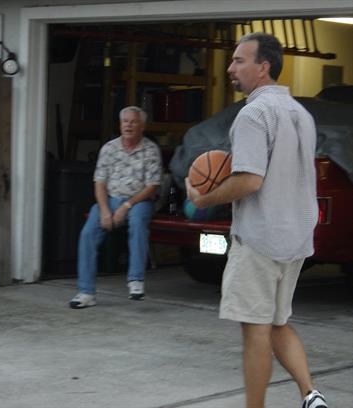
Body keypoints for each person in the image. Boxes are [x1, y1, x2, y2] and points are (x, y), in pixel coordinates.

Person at [185, 33, 327, 408]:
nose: (231, 67)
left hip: (262, 239)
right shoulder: (302, 114)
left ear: (263, 67)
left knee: (256, 332)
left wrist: (203, 197)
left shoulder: (253, 114)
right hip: (296, 238)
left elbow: (248, 180)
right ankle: (311, 395)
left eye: (239, 60)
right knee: (277, 323)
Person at [69, 106, 162, 309]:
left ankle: (135, 280)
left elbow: (152, 186)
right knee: (87, 233)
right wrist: (104, 210)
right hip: (110, 199)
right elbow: (100, 183)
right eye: (125, 121)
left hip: (139, 200)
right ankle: (86, 292)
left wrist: (126, 206)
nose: (128, 125)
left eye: (133, 121)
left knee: (138, 222)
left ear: (142, 125)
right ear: (120, 125)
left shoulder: (151, 150)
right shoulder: (109, 149)